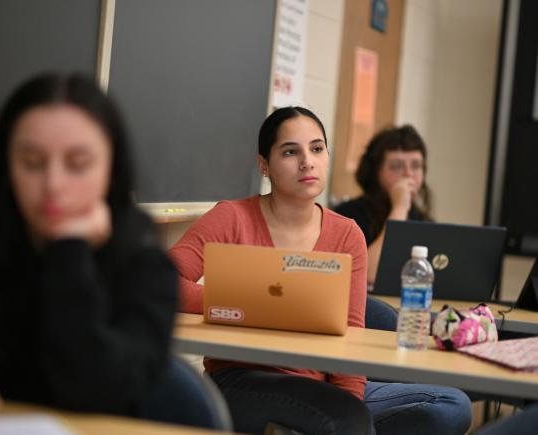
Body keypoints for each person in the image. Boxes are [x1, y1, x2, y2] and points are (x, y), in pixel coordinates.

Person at [170, 107, 472, 435]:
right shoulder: (231, 217)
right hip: (243, 381)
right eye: (290, 152)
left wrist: (351, 401)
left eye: (316, 149)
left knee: (450, 406)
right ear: (264, 165)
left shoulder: (347, 233)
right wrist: (243, 302)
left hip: (323, 381)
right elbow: (161, 282)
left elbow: (351, 335)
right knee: (343, 420)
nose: (307, 162)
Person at [0, 73, 181, 423]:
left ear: (111, 169)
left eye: (78, 165)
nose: (53, 185)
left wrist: (69, 250)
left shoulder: (146, 268)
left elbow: (92, 390)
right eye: (31, 163)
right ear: (7, 167)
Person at [333, 125, 432, 284]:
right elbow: (369, 274)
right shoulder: (349, 214)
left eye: (415, 166)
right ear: (376, 171)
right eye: (396, 166)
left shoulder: (423, 220)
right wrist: (399, 208)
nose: (408, 174)